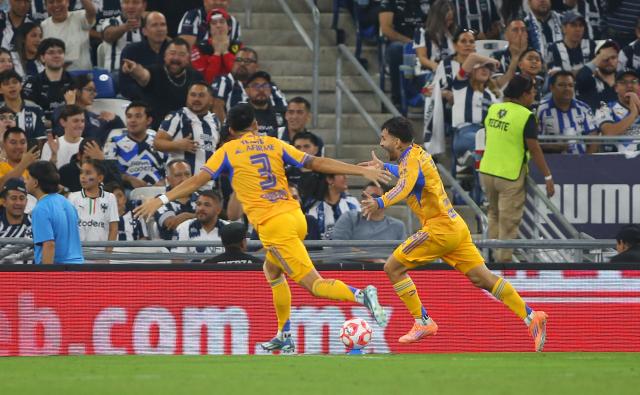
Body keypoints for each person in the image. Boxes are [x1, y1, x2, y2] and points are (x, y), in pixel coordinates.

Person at [134, 103, 391, 353]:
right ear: (256, 125)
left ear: (231, 130)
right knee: (272, 270)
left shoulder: (227, 150)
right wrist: (358, 170)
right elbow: (316, 162)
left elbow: (197, 181)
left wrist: (161, 199)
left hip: (274, 225)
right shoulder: (274, 143)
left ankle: (362, 295)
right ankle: (284, 335)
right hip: (294, 216)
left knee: (315, 285)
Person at [359, 116, 548, 351]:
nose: (381, 143)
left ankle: (423, 321)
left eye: (384, 138)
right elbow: (409, 176)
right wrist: (384, 167)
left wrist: (380, 201)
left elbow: (405, 186)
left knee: (393, 268)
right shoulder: (416, 155)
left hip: (439, 230)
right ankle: (531, 317)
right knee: (483, 278)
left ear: (397, 142)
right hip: (454, 227)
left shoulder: (412, 160)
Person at [479, 75, 555, 263]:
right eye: (532, 92)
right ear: (523, 94)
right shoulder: (526, 115)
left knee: (493, 214)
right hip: (509, 175)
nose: (534, 95)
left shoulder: (493, 109)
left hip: (487, 170)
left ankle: (490, 259)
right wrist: (547, 176)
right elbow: (534, 148)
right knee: (508, 221)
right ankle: (503, 266)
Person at [120, 38, 205, 129]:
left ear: (188, 58)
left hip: (185, 129)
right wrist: (134, 69)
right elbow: (142, 75)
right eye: (172, 53)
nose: (176, 58)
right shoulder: (154, 72)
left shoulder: (196, 77)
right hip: (155, 131)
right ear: (165, 56)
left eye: (181, 54)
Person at [155, 82, 220, 175]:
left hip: (207, 184)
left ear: (211, 100)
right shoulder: (178, 116)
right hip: (181, 185)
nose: (196, 99)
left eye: (201, 95)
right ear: (187, 97)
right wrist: (177, 145)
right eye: (193, 95)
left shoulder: (215, 120)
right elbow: (157, 143)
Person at [26, 160, 84, 264]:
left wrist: (47, 277)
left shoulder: (40, 209)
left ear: (35, 183)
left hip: (58, 273)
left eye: (28, 178)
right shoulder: (67, 203)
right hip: (78, 271)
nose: (25, 181)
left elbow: (49, 245)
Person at [210, 47, 287, 123]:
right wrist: (228, 130)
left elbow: (284, 108)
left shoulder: (269, 86)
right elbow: (217, 105)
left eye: (247, 61)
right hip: (234, 131)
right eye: (238, 60)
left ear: (256, 66)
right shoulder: (224, 81)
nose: (242, 64)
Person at [104, 101, 166, 189]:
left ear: (149, 120)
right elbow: (108, 172)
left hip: (160, 193)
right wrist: (128, 178)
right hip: (127, 193)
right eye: (129, 116)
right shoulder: (113, 142)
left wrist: (165, 181)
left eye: (138, 116)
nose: (132, 120)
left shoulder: (159, 142)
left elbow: (171, 168)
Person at [379, 0, 428, 107]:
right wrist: (411, 43)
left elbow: (436, 23)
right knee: (397, 49)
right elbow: (386, 29)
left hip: (425, 45)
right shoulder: (390, 2)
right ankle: (398, 97)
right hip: (402, 45)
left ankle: (428, 98)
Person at [537, 70, 599, 154]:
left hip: (581, 161)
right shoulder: (541, 110)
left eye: (570, 85)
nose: (567, 89)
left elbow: (593, 139)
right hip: (552, 162)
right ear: (552, 88)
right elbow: (534, 142)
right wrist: (554, 147)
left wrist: (587, 161)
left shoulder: (584, 108)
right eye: (562, 85)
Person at [52, 73, 124, 145]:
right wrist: (70, 107)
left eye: (95, 91)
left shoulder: (92, 116)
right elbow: (61, 135)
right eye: (90, 90)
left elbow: (121, 131)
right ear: (76, 91)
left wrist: (115, 119)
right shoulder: (60, 111)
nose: (94, 94)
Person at [67, 159, 119, 248]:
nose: (83, 176)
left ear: (100, 178)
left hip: (101, 255)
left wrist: (107, 254)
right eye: (81, 172)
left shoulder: (110, 198)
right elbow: (68, 228)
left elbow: (113, 229)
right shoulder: (72, 197)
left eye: (88, 173)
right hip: (79, 254)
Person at [118, 11, 170, 100]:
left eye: (163, 25)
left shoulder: (174, 51)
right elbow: (125, 86)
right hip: (140, 101)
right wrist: (148, 94)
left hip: (170, 99)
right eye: (154, 25)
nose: (159, 29)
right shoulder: (130, 51)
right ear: (144, 31)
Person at [332, 182, 407, 241]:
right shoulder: (349, 217)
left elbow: (403, 255)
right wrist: (373, 260)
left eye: (374, 197)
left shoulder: (398, 226)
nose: (367, 200)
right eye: (364, 196)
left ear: (387, 202)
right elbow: (338, 247)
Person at [22, 37, 73, 122]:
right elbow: (28, 112)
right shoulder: (32, 83)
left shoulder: (73, 81)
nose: (56, 56)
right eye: (51, 52)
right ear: (42, 58)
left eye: (60, 52)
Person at [41, 0, 96, 71]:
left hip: (83, 75)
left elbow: (91, 12)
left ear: (67, 2)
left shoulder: (79, 17)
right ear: (46, 6)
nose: (55, 5)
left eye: (59, 1)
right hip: (56, 77)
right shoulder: (43, 26)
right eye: (51, 2)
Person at [190, 8, 242, 84]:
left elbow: (238, 76)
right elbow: (207, 80)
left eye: (222, 22)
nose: (218, 26)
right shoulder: (199, 48)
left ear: (229, 27)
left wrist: (225, 52)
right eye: (214, 23)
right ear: (209, 29)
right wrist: (217, 53)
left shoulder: (239, 46)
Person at [595, 70, 640, 154]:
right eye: (623, 82)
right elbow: (609, 133)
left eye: (634, 81)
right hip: (614, 162)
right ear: (616, 88)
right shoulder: (604, 108)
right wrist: (633, 114)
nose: (629, 85)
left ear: (638, 86)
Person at [306, 174, 361, 240]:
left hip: (351, 249)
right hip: (321, 249)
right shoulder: (312, 206)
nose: (346, 177)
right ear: (329, 179)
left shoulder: (352, 202)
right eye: (341, 174)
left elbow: (361, 229)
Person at [174, 190, 229, 256]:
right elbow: (177, 260)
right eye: (198, 204)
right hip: (193, 267)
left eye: (207, 205)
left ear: (218, 210)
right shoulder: (184, 228)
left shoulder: (229, 229)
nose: (201, 208)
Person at [154, 159, 197, 240]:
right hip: (173, 249)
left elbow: (214, 219)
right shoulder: (160, 200)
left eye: (187, 174)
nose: (184, 179)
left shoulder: (202, 197)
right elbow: (172, 223)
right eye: (178, 175)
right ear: (168, 179)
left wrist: (187, 216)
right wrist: (200, 217)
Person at [98, 0, 146, 72]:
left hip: (142, 74)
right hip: (114, 74)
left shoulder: (148, 24)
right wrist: (126, 27)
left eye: (135, 2)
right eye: (126, 2)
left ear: (144, 5)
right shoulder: (111, 22)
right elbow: (108, 36)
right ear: (121, 5)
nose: (130, 6)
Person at [0, 69, 46, 140]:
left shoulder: (36, 109)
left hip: (32, 150)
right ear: (0, 89)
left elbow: (40, 138)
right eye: (6, 84)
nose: (11, 86)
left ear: (21, 85)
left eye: (15, 82)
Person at [576, 39, 620, 110]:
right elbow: (580, 79)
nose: (610, 61)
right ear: (597, 58)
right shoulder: (589, 80)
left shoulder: (622, 78)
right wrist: (598, 59)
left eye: (613, 57)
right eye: (606, 58)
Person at [414, 0, 456, 73]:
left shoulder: (453, 31)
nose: (449, 23)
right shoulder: (421, 31)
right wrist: (436, 67)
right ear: (437, 19)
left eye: (451, 20)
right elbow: (422, 58)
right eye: (446, 20)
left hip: (452, 69)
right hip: (431, 71)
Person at [41, 104, 84, 168]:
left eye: (82, 121)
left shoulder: (89, 146)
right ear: (63, 122)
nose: (80, 125)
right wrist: (54, 155)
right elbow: (44, 175)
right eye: (75, 121)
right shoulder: (50, 145)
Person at [244, 71, 285, 137]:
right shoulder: (240, 114)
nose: (261, 89)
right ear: (247, 90)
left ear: (270, 89)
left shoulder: (280, 113)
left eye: (265, 85)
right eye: (255, 85)